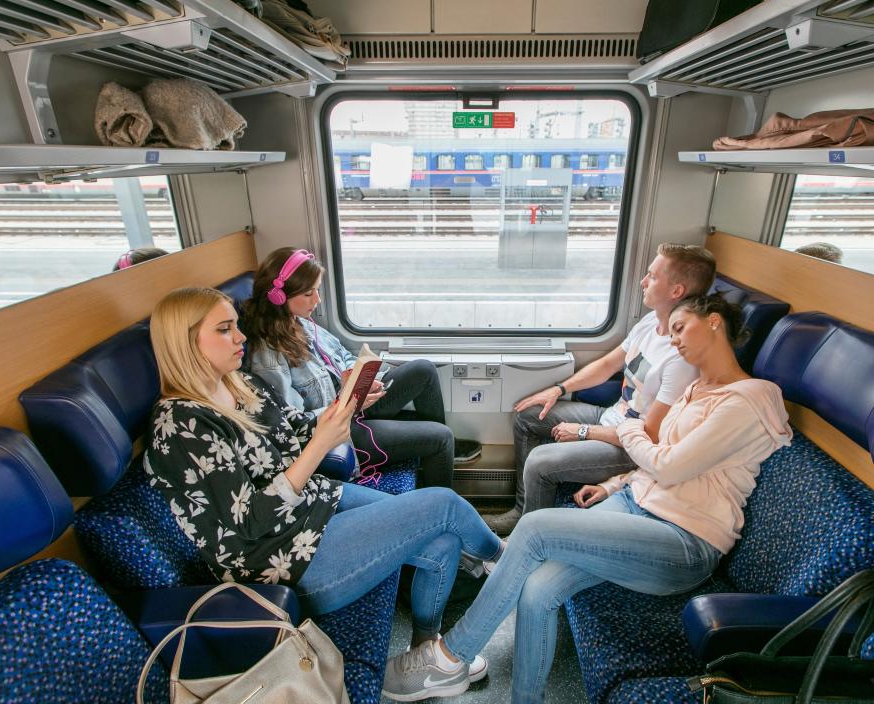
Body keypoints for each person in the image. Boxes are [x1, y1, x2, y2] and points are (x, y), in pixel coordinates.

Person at [382, 294, 793, 703]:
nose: (672, 337)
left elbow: (668, 464)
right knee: (539, 588)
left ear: (716, 323)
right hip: (637, 504)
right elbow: (660, 460)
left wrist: (630, 431)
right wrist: (616, 484)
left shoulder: (750, 399)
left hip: (684, 540)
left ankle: (450, 657)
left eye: (681, 328)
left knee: (536, 528)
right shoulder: (698, 389)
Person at [143, 286, 503, 663]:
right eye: (224, 329)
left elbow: (296, 427)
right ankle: (505, 559)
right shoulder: (180, 426)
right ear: (186, 342)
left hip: (312, 504)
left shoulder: (240, 383)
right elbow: (247, 524)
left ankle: (426, 649)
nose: (241, 337)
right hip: (278, 559)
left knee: (443, 540)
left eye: (236, 326)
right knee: (442, 505)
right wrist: (320, 445)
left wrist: (344, 404)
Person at [484, 242, 716, 536]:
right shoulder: (650, 323)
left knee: (541, 462)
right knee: (530, 416)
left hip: (631, 448)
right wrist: (558, 388)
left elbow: (652, 436)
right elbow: (608, 364)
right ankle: (522, 510)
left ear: (676, 291)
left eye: (653, 276)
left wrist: (582, 432)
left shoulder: (680, 359)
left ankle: (529, 534)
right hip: (611, 417)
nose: (643, 282)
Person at [241, 247, 480, 489]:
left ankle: (436, 455)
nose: (317, 300)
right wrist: (346, 403)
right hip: (340, 430)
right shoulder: (268, 356)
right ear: (278, 297)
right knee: (441, 437)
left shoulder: (299, 323)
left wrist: (357, 376)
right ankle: (436, 503)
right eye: (308, 294)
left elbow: (342, 353)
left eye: (317, 290)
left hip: (352, 403)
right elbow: (296, 423)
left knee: (423, 369)